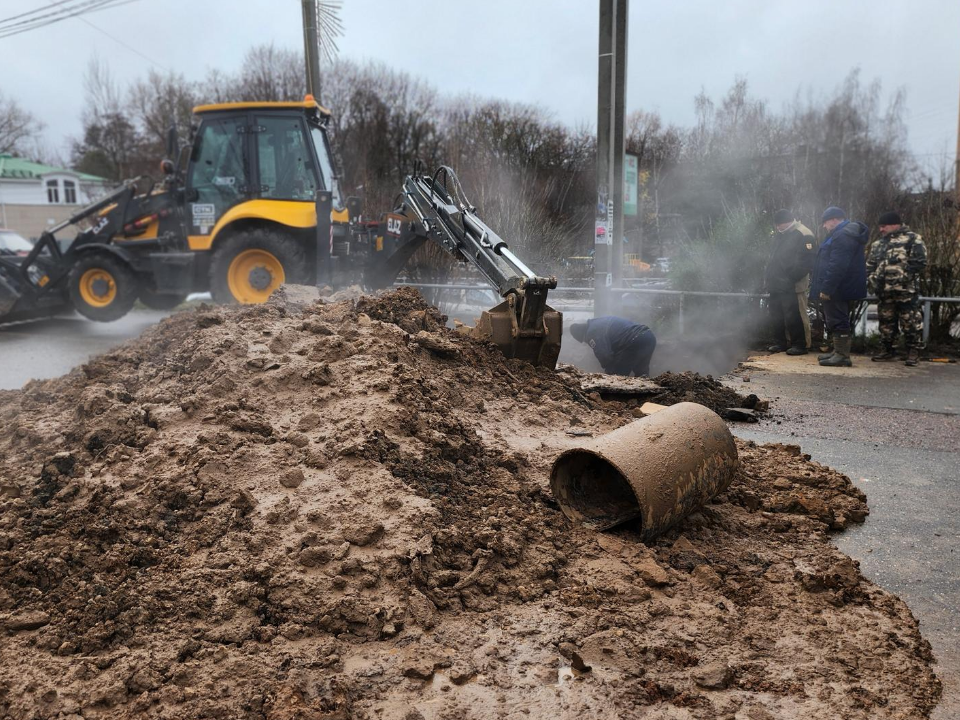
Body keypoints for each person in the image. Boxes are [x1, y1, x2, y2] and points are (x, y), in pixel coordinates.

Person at [810, 206, 869, 367]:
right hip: (839, 286)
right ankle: (838, 352)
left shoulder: (843, 236)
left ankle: (842, 355)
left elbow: (837, 265)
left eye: (825, 222)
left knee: (838, 319)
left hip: (838, 288)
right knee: (835, 318)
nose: (824, 226)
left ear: (834, 219)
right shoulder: (842, 234)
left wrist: (827, 288)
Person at [866, 211, 927, 367]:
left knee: (911, 322)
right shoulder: (878, 244)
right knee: (886, 322)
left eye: (884, 226)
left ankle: (913, 351)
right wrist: (872, 280)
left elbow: (919, 263)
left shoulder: (913, 239)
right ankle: (887, 350)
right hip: (884, 292)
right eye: (880, 226)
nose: (881, 230)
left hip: (906, 292)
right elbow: (870, 266)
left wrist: (902, 276)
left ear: (895, 224)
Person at [765, 209, 817, 355]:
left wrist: (791, 277)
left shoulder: (803, 233)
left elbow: (807, 261)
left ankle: (800, 344)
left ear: (785, 222)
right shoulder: (781, 235)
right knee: (776, 315)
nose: (777, 228)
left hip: (793, 284)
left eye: (778, 225)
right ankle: (781, 342)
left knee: (795, 315)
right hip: (776, 284)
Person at [569, 317, 657, 376]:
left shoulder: (592, 332)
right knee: (641, 373)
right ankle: (646, 399)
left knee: (616, 377)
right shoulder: (597, 322)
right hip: (648, 337)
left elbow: (604, 355)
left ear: (583, 335)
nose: (586, 342)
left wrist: (608, 372)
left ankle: (616, 402)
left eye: (584, 340)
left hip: (633, 341)